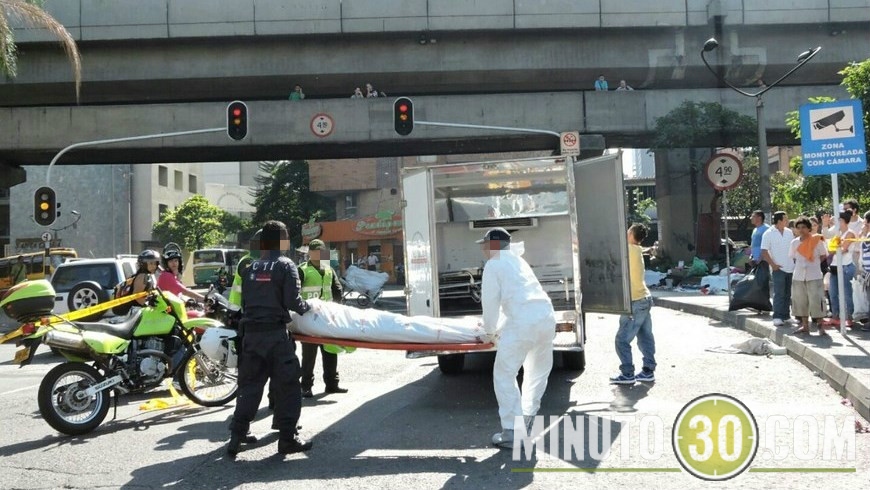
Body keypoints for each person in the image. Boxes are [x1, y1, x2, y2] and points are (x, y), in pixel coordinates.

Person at [227, 220, 312, 458]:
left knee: (250, 387)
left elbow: (244, 304)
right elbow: (293, 303)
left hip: (251, 336)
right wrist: (311, 308)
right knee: (288, 386)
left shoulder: (250, 268)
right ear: (282, 241)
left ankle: (237, 435)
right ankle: (287, 438)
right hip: (275, 336)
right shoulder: (286, 265)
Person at [477, 227, 555, 449]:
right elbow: (518, 297)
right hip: (546, 318)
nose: (483, 249)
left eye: (484, 244)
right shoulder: (519, 261)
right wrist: (498, 329)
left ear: (493, 245)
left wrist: (489, 333)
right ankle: (527, 423)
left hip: (523, 323)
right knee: (536, 375)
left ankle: (512, 432)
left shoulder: (494, 264)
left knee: (504, 374)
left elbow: (491, 303)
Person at [299, 239, 347, 398]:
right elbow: (295, 293)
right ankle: (306, 386)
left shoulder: (329, 270)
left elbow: (337, 289)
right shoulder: (302, 270)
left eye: (322, 251)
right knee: (309, 356)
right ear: (310, 253)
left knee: (330, 352)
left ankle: (332, 384)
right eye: (316, 251)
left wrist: (337, 308)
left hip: (327, 318)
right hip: (309, 319)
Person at [610, 223, 656, 385]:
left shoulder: (628, 250)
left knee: (621, 339)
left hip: (635, 301)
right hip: (644, 298)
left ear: (631, 235)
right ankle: (648, 371)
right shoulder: (636, 250)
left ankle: (628, 373)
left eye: (627, 231)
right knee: (645, 336)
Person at [789, 216, 828, 335]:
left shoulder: (817, 240)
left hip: (814, 274)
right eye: (799, 227)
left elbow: (823, 255)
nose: (801, 230)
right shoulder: (794, 242)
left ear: (809, 228)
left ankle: (821, 327)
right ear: (795, 229)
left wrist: (813, 263)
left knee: (817, 301)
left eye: (804, 227)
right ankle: (805, 326)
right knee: (801, 301)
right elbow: (793, 257)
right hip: (799, 275)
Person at [824, 211, 857, 329]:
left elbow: (843, 249)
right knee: (833, 293)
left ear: (843, 221)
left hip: (846, 267)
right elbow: (830, 248)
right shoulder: (836, 234)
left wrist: (834, 248)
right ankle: (835, 316)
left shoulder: (850, 234)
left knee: (847, 294)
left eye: (838, 220)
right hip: (834, 267)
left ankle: (849, 317)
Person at [761, 211, 795, 327]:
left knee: (787, 293)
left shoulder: (789, 232)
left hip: (790, 267)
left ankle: (786, 315)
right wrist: (773, 265)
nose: (787, 220)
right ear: (779, 220)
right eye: (785, 219)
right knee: (779, 293)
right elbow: (764, 251)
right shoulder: (768, 233)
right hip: (778, 268)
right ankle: (777, 316)